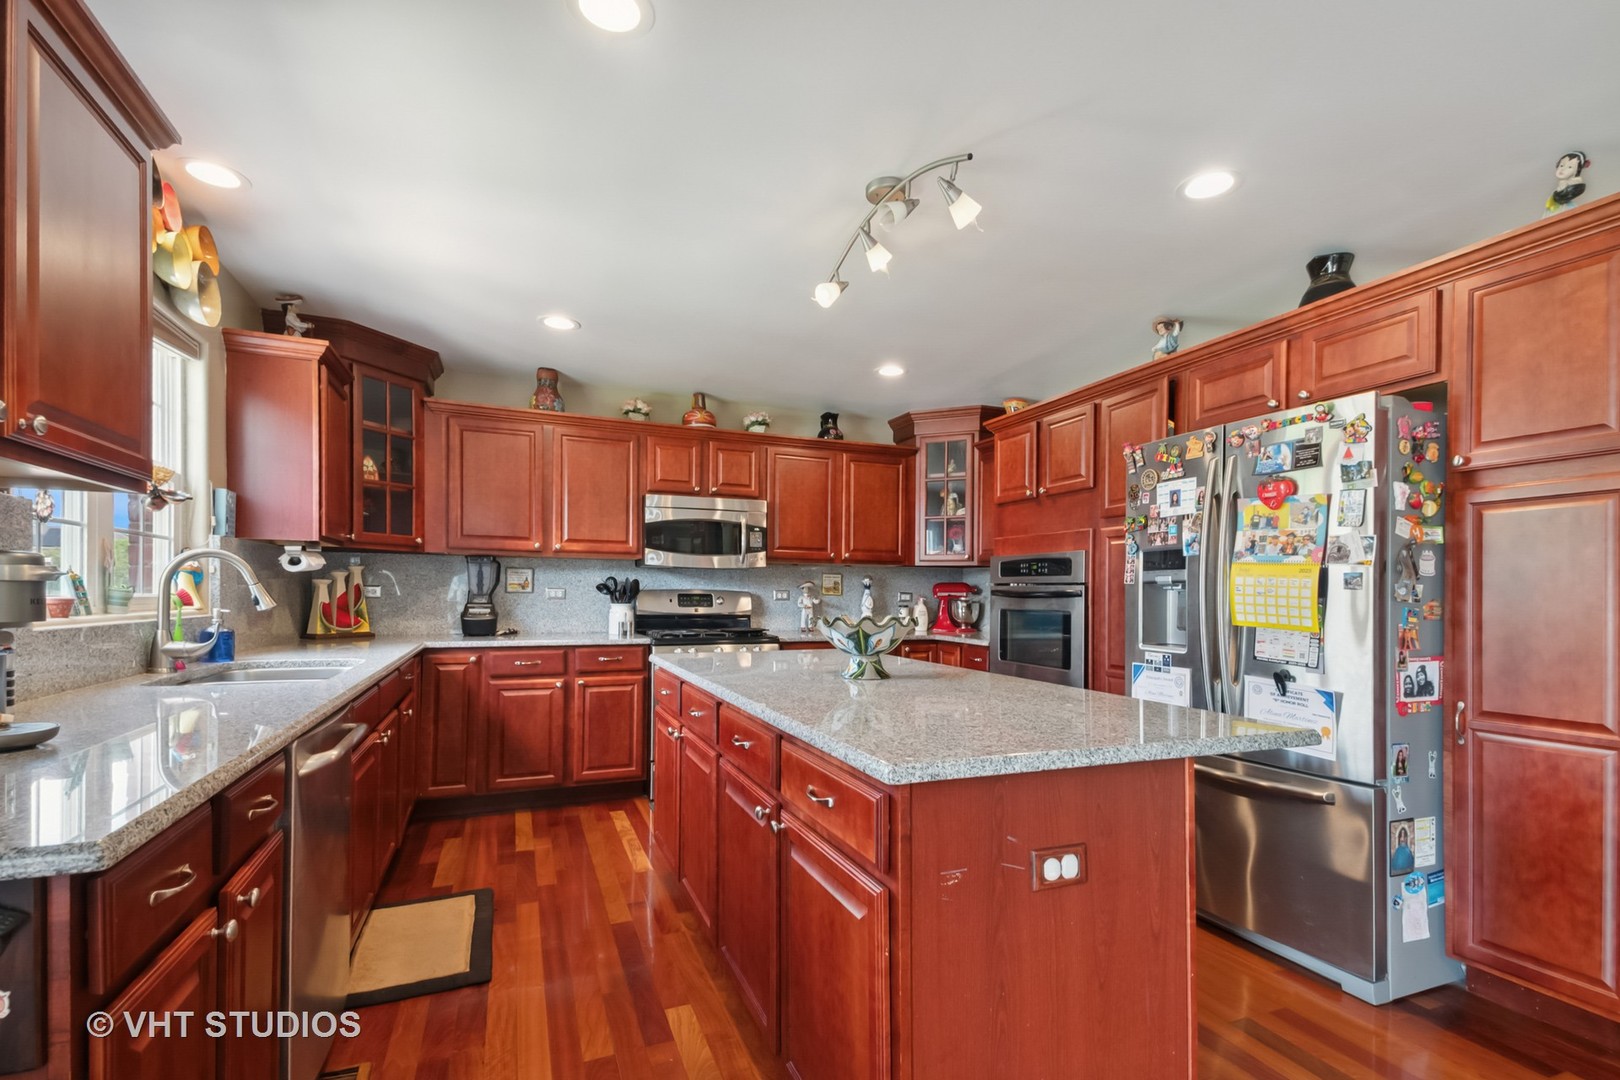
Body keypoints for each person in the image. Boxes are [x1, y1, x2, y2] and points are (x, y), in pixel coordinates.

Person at [1545, 151, 1590, 215]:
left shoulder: (1576, 187)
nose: (1563, 169)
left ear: (1577, 170)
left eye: (1570, 167)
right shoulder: (1556, 192)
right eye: (1561, 165)